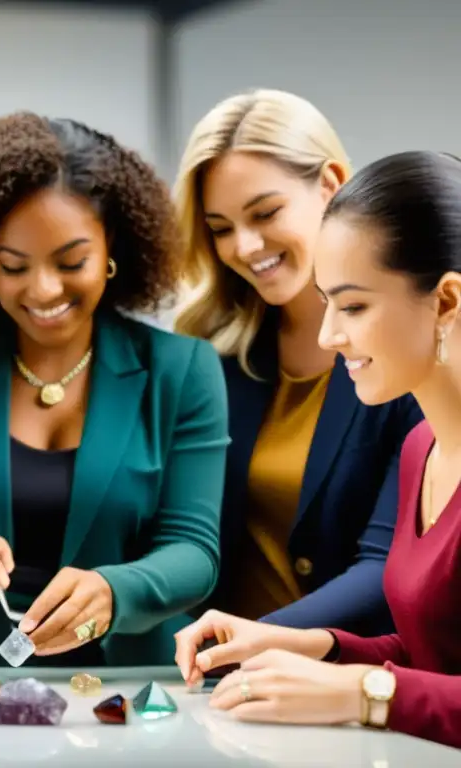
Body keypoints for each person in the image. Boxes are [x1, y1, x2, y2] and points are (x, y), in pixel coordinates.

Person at [0, 112, 229, 668]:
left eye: (71, 261)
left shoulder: (181, 369)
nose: (44, 289)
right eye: (14, 266)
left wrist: (115, 590)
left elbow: (195, 551)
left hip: (136, 687)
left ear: (112, 246)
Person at [173, 150, 461, 749]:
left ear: (447, 301)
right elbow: (433, 652)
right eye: (327, 303)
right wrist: (311, 645)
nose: (329, 335)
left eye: (354, 306)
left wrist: (362, 692)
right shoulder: (420, 449)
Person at [172, 90, 422, 635]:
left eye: (265, 212)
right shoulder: (214, 360)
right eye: (220, 228)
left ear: (331, 184)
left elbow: (391, 562)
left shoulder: (405, 347)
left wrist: (253, 640)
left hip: (345, 678)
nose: (245, 245)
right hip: (223, 685)